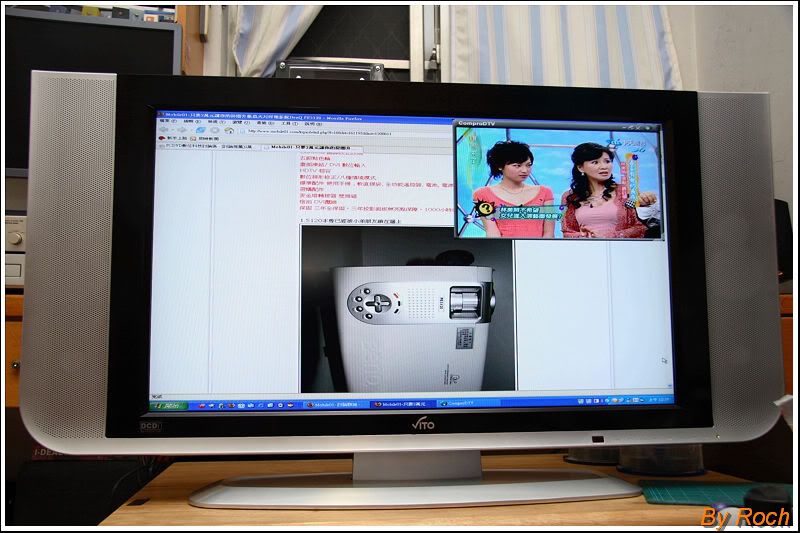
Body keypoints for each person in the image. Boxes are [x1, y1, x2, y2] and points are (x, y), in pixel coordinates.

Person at [561, 142, 649, 239]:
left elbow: (639, 228)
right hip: (585, 247)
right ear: (580, 167)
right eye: (595, 162)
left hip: (619, 247)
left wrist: (609, 236)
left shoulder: (624, 191)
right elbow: (567, 232)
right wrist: (586, 236)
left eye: (607, 161)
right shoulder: (570, 197)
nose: (604, 166)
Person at [472, 140, 555, 238]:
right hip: (504, 246)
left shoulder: (544, 193)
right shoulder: (482, 195)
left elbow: (549, 233)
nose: (525, 170)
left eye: (528, 165)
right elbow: (492, 232)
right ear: (500, 166)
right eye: (517, 165)